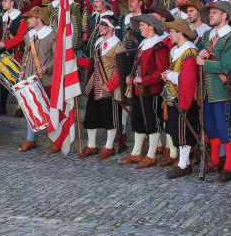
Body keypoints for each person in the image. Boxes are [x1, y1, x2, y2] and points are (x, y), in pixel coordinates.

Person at [196, 1, 231, 183]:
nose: (211, 15)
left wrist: (205, 63)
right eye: (210, 13)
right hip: (208, 90)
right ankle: (215, 160)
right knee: (211, 126)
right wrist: (202, 55)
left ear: (225, 15)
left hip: (224, 89)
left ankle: (229, 167)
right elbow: (204, 52)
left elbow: (228, 66)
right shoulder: (208, 35)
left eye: (215, 12)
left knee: (226, 128)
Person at [121, 12, 166, 169]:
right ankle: (136, 153)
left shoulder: (158, 46)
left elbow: (161, 72)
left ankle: (151, 155)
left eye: (142, 25)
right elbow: (137, 65)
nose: (139, 28)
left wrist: (144, 80)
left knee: (152, 122)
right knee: (137, 121)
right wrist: (131, 76)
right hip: (138, 90)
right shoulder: (143, 44)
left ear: (151, 27)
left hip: (151, 91)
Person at [77, 14, 125, 160]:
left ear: (111, 28)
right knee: (91, 116)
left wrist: (110, 85)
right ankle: (92, 146)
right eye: (100, 25)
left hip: (109, 88)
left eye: (103, 25)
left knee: (110, 118)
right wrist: (75, 60)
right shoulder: (98, 43)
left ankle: (109, 147)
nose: (100, 27)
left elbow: (121, 71)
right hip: (95, 85)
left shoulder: (118, 46)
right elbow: (92, 64)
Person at [162, 19, 201, 178]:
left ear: (180, 33)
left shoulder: (189, 52)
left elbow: (188, 78)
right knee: (176, 131)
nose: (170, 35)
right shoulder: (175, 51)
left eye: (172, 32)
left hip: (185, 98)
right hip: (174, 97)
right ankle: (183, 161)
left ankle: (184, 164)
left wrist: (170, 75)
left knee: (184, 132)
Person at [17, 6, 55, 152]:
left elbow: (56, 56)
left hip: (46, 78)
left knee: (51, 109)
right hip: (29, 76)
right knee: (29, 108)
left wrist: (48, 68)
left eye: (30, 18)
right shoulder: (29, 36)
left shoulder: (52, 35)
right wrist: (22, 69)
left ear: (38, 19)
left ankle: (55, 139)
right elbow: (26, 54)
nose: (28, 21)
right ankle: (30, 139)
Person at [0, 0, 25, 115]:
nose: (3, 3)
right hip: (3, 53)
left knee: (19, 78)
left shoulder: (21, 18)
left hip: (17, 52)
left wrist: (5, 44)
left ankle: (20, 105)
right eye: (2, 1)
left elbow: (21, 37)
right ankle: (2, 105)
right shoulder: (1, 19)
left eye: (5, 1)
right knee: (3, 79)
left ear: (12, 2)